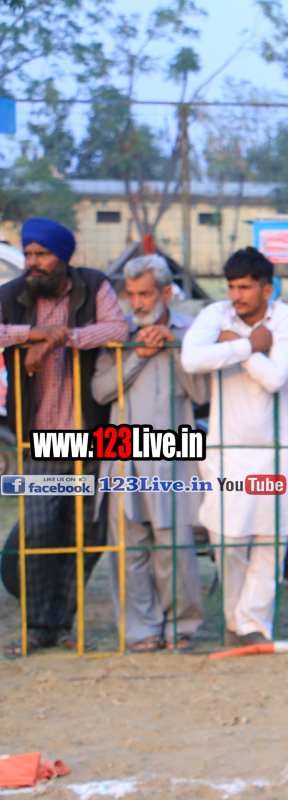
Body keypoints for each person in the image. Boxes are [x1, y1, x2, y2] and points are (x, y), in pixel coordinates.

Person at [1, 218, 129, 657]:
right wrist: (33, 334)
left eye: (42, 254)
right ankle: (37, 626)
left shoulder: (93, 285)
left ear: (63, 257)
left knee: (86, 533)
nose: (33, 262)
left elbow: (118, 328)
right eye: (28, 254)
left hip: (89, 436)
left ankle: (65, 624)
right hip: (40, 437)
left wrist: (63, 339)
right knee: (39, 530)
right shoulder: (11, 295)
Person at [181, 247, 288, 646]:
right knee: (227, 539)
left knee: (272, 540)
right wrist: (249, 345)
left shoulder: (285, 317)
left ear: (267, 289)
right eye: (232, 287)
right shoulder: (216, 314)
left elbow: (275, 378)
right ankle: (236, 623)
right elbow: (190, 359)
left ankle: (254, 626)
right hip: (226, 451)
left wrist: (237, 347)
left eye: (245, 287)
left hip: (279, 449)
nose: (236, 295)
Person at [91, 255, 209, 651]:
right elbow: (100, 391)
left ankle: (181, 628)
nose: (138, 303)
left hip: (172, 456)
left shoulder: (190, 331)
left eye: (146, 294)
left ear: (166, 293)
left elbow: (201, 392)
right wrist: (136, 356)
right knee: (129, 548)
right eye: (132, 294)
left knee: (175, 546)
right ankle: (141, 632)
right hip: (121, 455)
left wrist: (172, 348)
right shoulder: (117, 334)